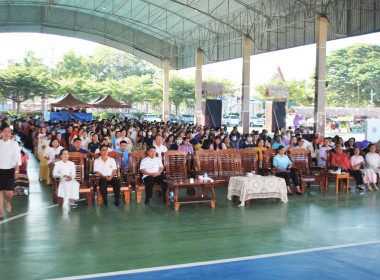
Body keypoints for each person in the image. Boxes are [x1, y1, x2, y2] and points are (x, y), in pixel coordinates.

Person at [0, 126, 21, 218]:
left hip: (10, 170)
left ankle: (7, 201)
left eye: (9, 132)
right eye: (5, 131)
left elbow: (16, 158)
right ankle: (0, 209)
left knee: (9, 193)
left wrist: (17, 170)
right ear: (1, 132)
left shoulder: (14, 144)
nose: (7, 133)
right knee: (0, 192)